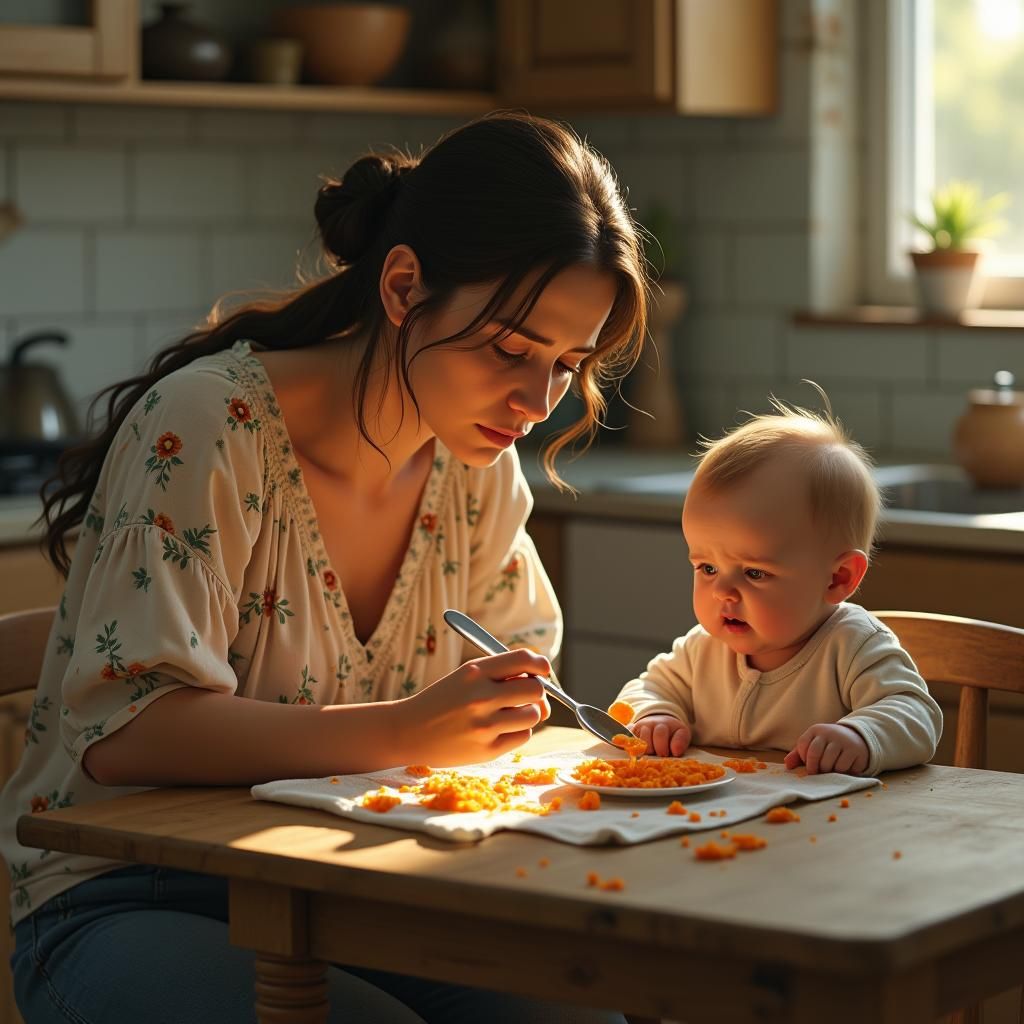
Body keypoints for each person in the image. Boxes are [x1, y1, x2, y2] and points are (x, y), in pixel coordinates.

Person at [0, 111, 649, 1024]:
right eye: (511, 348)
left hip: (359, 888)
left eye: (568, 364)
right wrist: (405, 731)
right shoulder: (213, 428)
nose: (537, 402)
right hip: (133, 894)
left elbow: (518, 697)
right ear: (402, 286)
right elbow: (125, 733)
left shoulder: (476, 472)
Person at [615, 396, 942, 776]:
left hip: (826, 826)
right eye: (707, 567)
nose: (723, 592)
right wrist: (655, 715)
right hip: (722, 825)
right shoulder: (701, 651)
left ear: (838, 578)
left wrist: (861, 735)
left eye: (754, 573)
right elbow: (640, 692)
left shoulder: (854, 646)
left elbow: (917, 715)